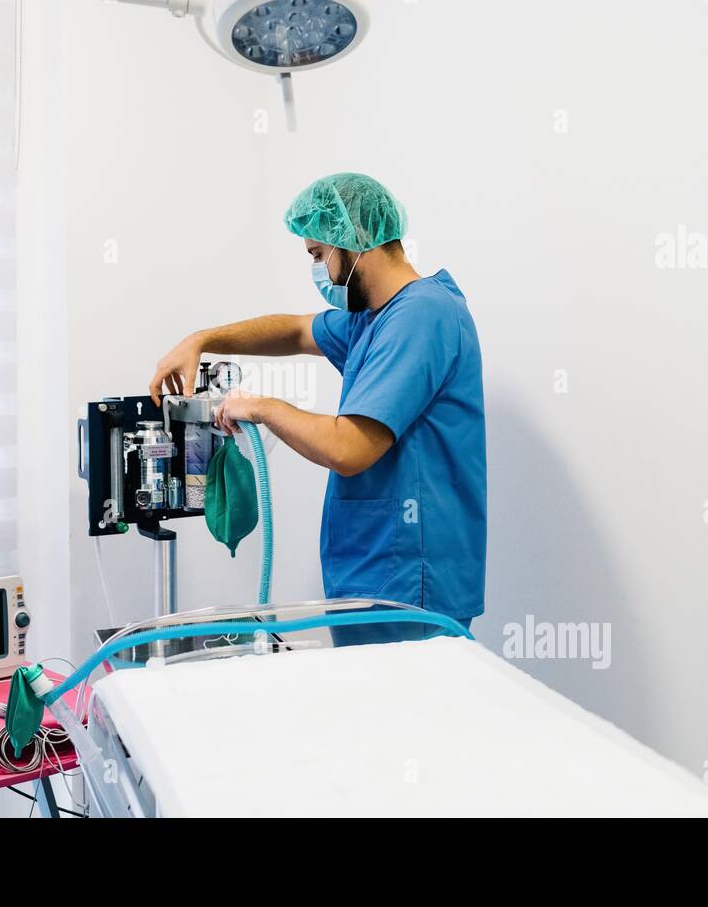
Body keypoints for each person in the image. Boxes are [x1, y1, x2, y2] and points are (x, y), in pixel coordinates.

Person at [149, 172, 486, 640]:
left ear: (355, 241)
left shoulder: (422, 316)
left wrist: (262, 407)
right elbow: (294, 331)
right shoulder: (372, 319)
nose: (317, 271)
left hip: (409, 587)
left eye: (317, 254)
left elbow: (348, 449)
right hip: (372, 577)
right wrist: (201, 339)